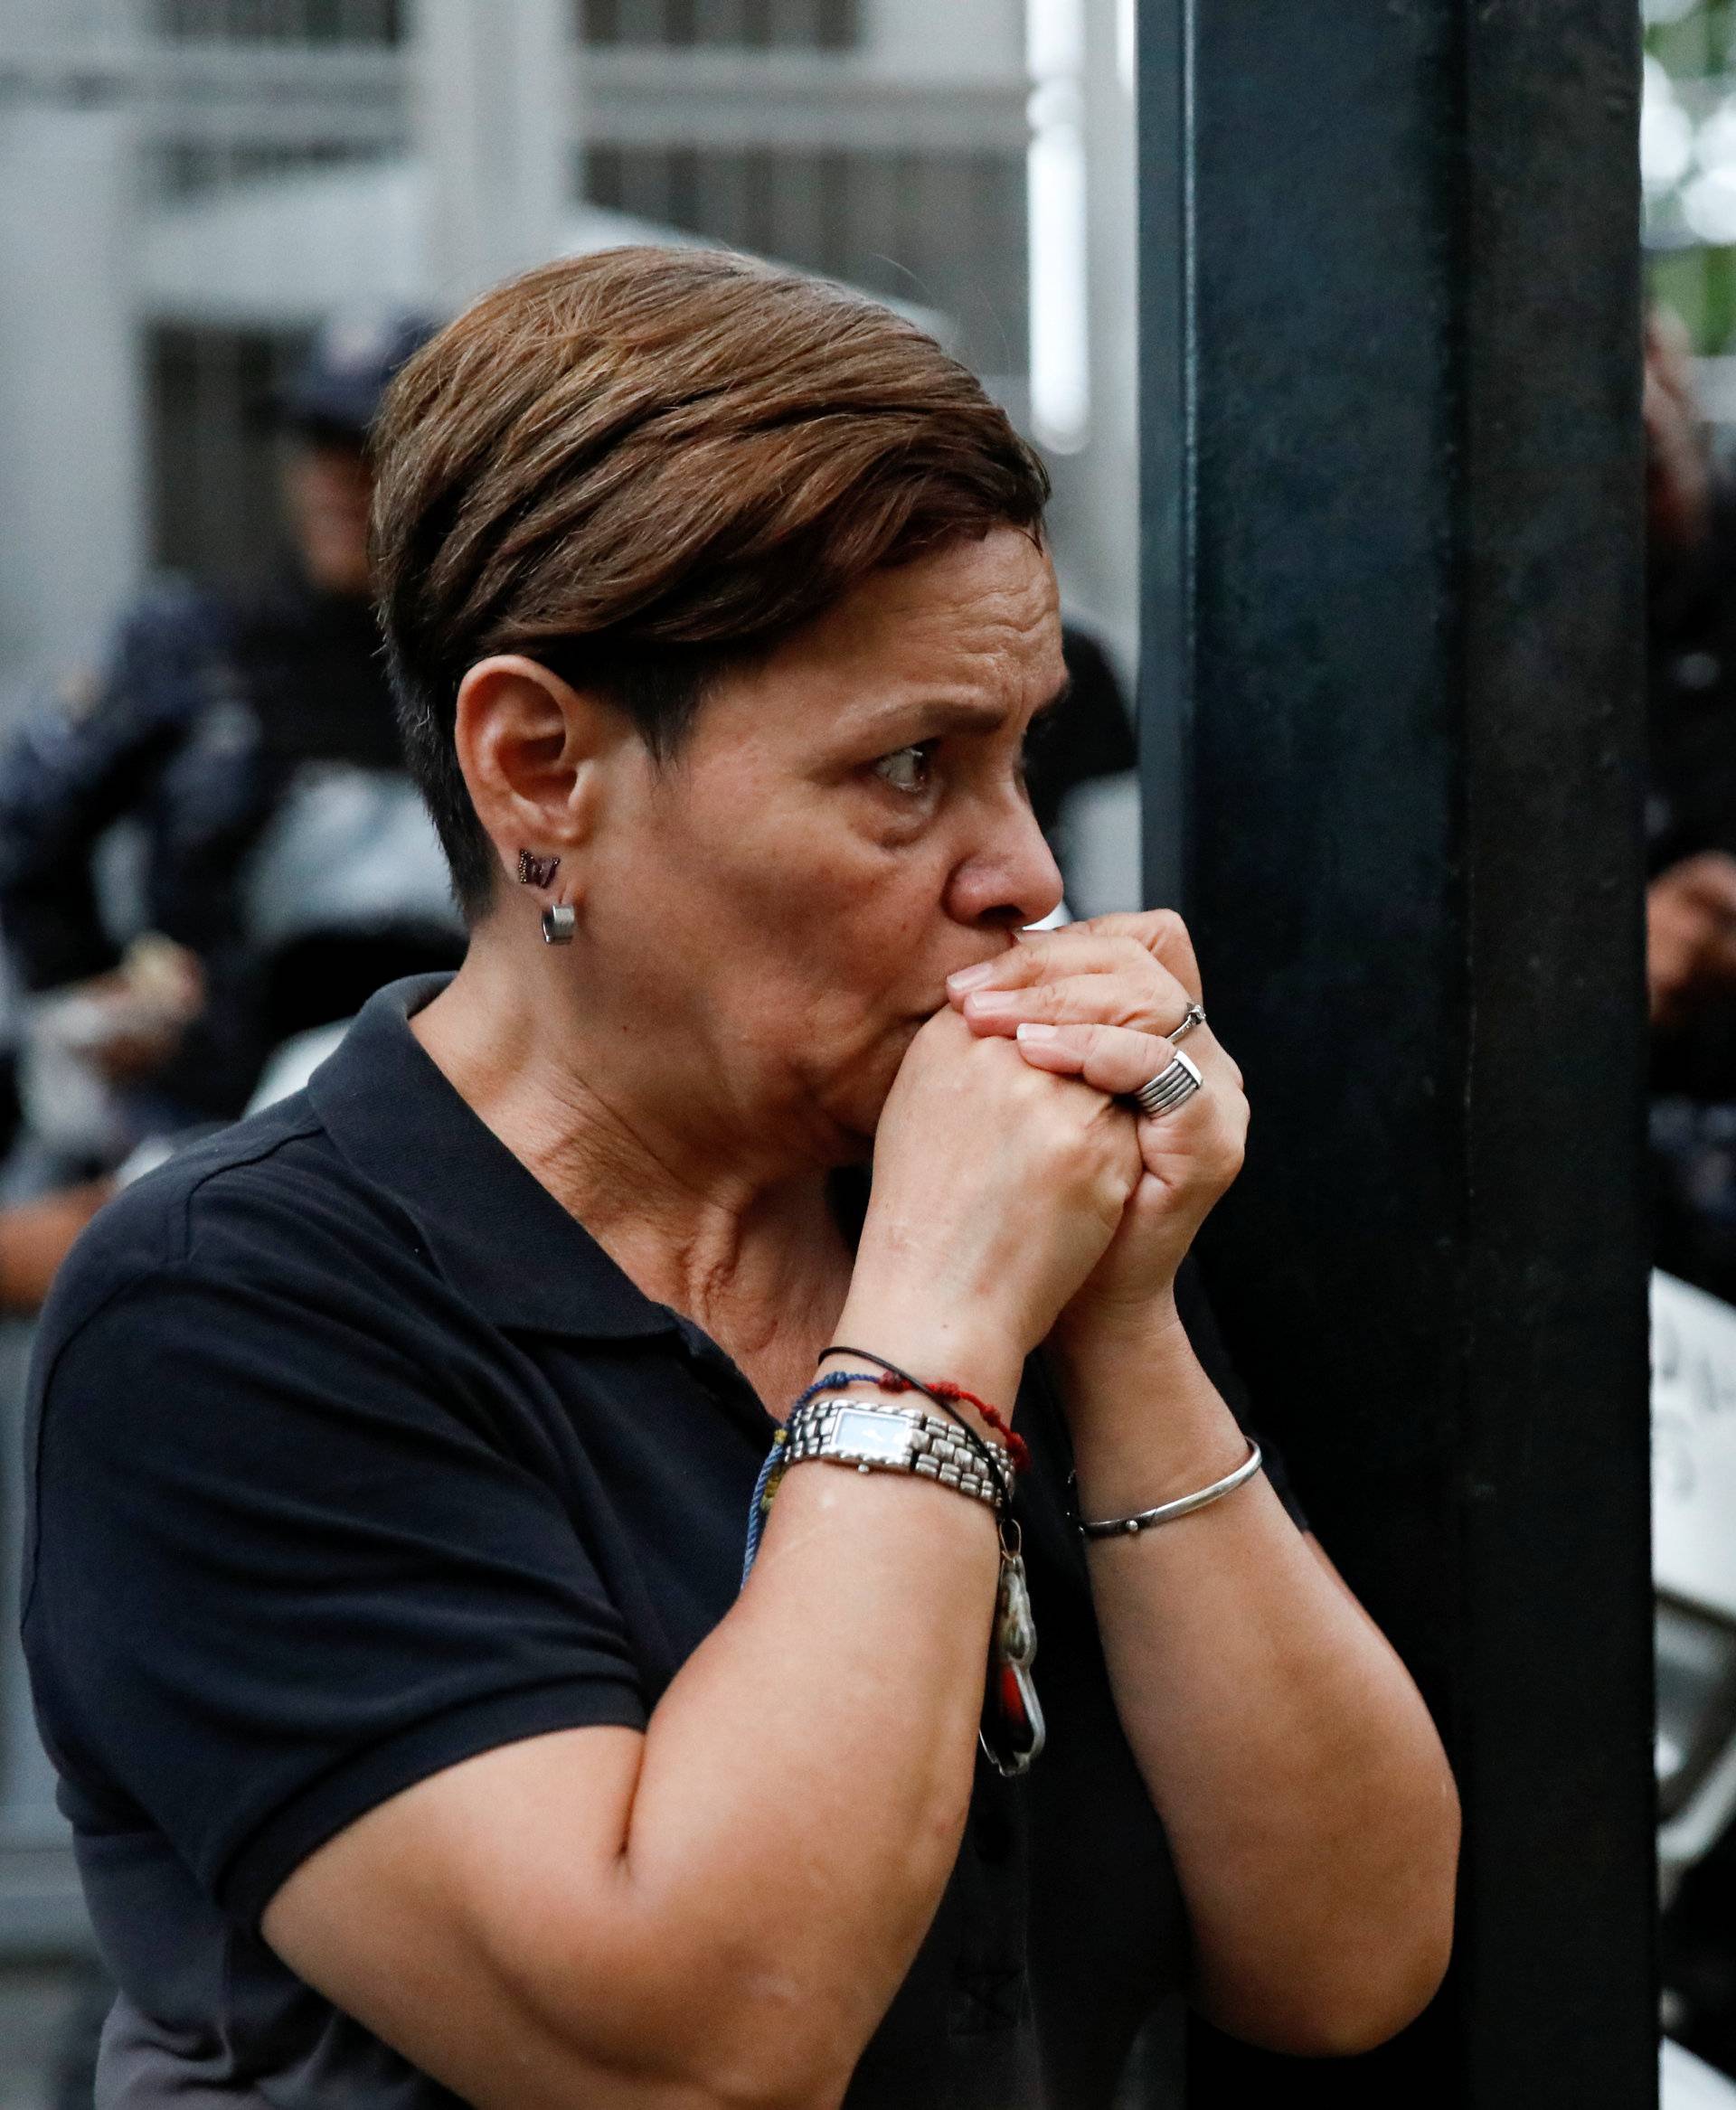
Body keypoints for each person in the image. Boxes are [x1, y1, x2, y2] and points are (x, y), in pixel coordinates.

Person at [22, 249, 1459, 2109]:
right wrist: (937, 1327)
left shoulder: (949, 1206)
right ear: (540, 770)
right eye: (909, 768)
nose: (1025, 875)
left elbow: (1346, 1955)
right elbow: (701, 2046)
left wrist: (1119, 1318)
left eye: (1018, 761)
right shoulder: (238, 1306)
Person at [0, 310, 464, 1196]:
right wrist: (88, 992)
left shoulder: (490, 671)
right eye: (318, 441)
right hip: (203, 1120)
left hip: (450, 1119)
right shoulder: (193, 644)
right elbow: (33, 824)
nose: (339, 476)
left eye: (371, 445)